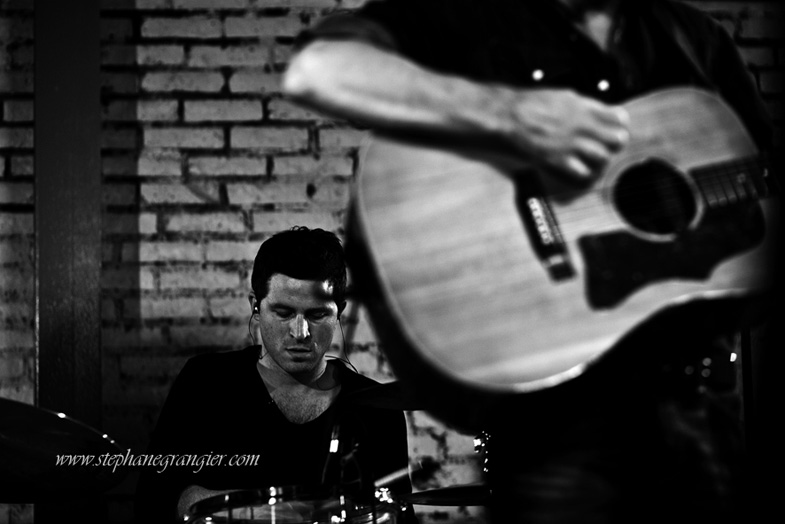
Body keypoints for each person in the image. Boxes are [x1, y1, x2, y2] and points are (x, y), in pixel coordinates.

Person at [282, 1, 779, 523]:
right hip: (557, 424)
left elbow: (761, 188)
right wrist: (511, 114)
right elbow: (321, 69)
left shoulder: (696, 39)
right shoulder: (470, 17)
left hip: (702, 407)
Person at [134, 227, 414, 523]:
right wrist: (245, 509)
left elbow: (400, 514)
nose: (300, 332)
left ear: (339, 312)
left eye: (317, 315)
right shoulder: (205, 382)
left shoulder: (378, 411)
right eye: (283, 313)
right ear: (255, 306)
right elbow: (153, 499)